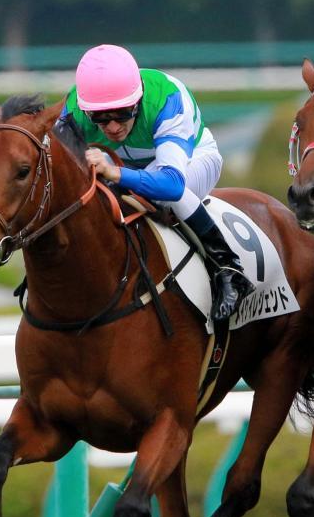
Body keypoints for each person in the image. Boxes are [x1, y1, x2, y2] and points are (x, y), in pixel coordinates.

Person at [59, 44, 253, 320]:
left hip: (191, 161)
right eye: (100, 117)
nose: (112, 127)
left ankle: (229, 268)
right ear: (86, 109)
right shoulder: (74, 108)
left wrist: (114, 173)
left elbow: (171, 184)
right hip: (128, 166)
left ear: (137, 101)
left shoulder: (166, 98)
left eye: (122, 113)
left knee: (162, 194)